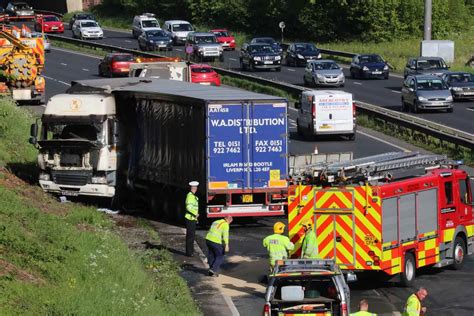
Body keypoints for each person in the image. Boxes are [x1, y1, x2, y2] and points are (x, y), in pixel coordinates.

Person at [184, 181, 199, 257]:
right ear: (193, 188)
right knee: (190, 236)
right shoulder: (190, 196)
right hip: (190, 218)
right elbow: (188, 207)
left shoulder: (192, 196)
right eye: (195, 188)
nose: (196, 189)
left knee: (191, 236)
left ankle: (190, 251)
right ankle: (189, 252)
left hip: (192, 218)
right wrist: (195, 213)